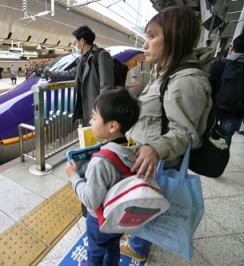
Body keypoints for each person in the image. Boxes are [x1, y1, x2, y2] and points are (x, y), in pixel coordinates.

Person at [120, 5, 213, 262]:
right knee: (148, 201)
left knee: (152, 202)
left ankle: (138, 247)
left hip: (160, 163)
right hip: (151, 159)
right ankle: (140, 239)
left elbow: (186, 133)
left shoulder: (185, 81)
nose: (145, 44)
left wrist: (154, 148)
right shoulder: (164, 72)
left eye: (152, 36)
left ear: (173, 38)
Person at [66, 89, 140, 266]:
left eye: (94, 117)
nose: (90, 121)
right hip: (120, 216)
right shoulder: (135, 150)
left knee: (95, 252)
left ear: (112, 126)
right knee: (113, 246)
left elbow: (91, 200)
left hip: (99, 219)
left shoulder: (100, 162)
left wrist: (74, 176)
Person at [44, 25, 114, 127]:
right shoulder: (83, 59)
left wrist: (101, 111)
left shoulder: (101, 55)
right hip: (86, 105)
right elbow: (71, 72)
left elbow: (106, 86)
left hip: (97, 107)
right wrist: (51, 73)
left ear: (82, 42)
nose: (74, 46)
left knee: (97, 135)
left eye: (75, 43)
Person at [208, 34, 244, 146]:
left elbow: (207, 88)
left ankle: (204, 159)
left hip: (214, 109)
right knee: (225, 139)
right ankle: (219, 160)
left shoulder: (219, 65)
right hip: (235, 113)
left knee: (206, 134)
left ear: (232, 47)